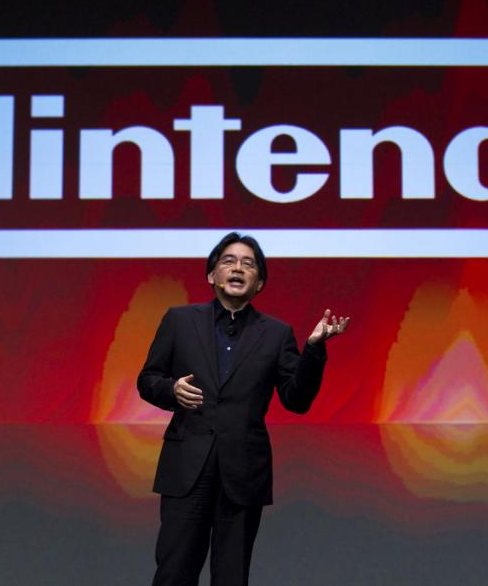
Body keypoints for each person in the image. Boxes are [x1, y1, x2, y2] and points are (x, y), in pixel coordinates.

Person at [137, 232, 349, 586]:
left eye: (248, 264)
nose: (238, 268)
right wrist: (171, 390)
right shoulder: (179, 320)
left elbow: (296, 400)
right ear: (211, 275)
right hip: (187, 468)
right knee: (174, 573)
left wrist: (314, 350)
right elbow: (147, 379)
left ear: (259, 282)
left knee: (232, 577)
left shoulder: (277, 334)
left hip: (243, 472)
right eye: (229, 261)